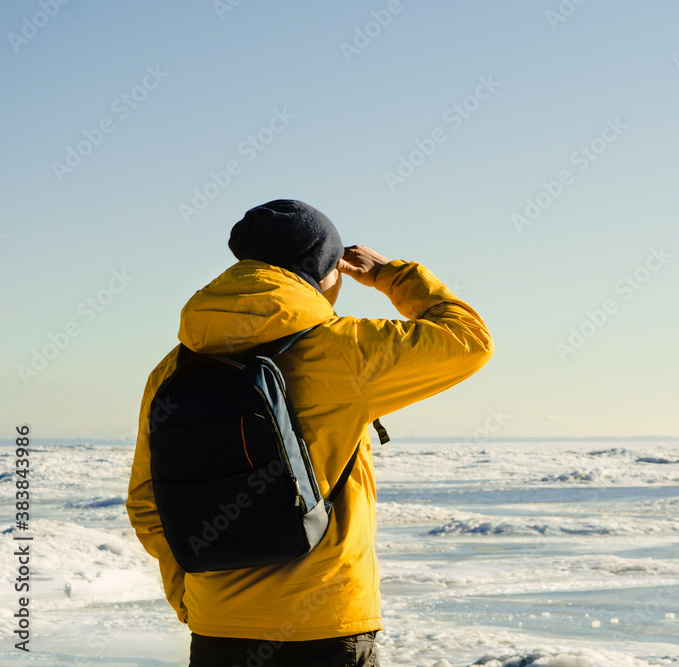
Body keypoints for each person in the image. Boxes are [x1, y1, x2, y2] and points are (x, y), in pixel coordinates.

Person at [126, 200, 493, 666]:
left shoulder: (175, 367)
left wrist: (193, 598)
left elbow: (146, 501)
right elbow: (469, 340)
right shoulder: (344, 350)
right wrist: (389, 274)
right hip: (326, 625)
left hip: (217, 627)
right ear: (323, 269)